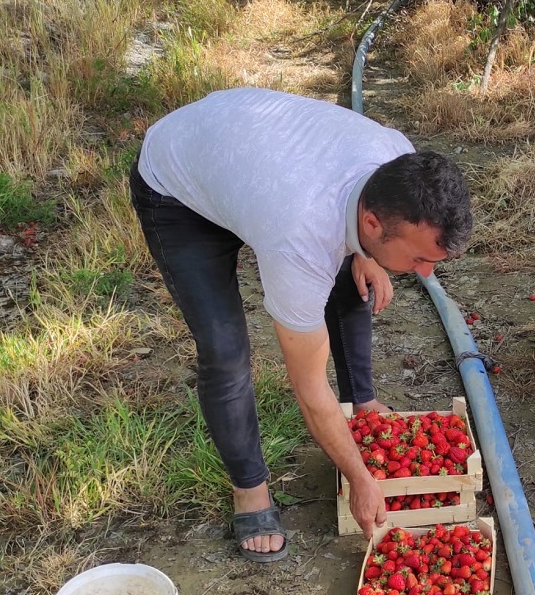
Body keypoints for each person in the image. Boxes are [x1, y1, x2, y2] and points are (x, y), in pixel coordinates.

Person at [130, 87, 472, 561]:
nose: (425, 272)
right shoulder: (299, 237)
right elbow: (309, 389)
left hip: (251, 158)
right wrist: (360, 477)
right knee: (225, 350)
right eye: (418, 257)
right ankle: (250, 488)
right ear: (373, 222)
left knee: (353, 275)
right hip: (178, 184)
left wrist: (367, 255)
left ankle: (362, 401)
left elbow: (354, 232)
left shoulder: (398, 160)